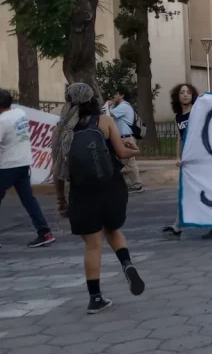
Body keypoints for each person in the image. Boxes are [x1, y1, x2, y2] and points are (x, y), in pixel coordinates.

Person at [51, 83, 145, 313]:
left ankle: (95, 298)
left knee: (93, 245)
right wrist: (135, 149)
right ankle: (126, 263)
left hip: (82, 191)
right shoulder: (104, 121)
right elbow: (122, 153)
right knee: (113, 229)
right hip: (111, 186)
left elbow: (58, 171)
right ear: (93, 100)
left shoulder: (61, 130)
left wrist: (61, 200)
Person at [162, 84, 212, 240]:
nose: (185, 95)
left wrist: (205, 99)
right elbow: (179, 139)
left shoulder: (198, 111)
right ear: (177, 96)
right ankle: (178, 225)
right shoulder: (178, 117)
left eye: (188, 92)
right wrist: (178, 157)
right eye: (182, 92)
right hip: (189, 161)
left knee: (208, 190)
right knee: (187, 191)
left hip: (204, 158)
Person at [0, 89, 55, 249]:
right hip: (24, 163)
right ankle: (45, 232)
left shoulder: (2, 121)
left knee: (28, 199)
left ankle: (44, 232)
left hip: (7, 166)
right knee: (29, 200)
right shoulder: (20, 113)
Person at [107, 88, 144, 193]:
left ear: (122, 95)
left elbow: (109, 115)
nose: (114, 96)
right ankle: (131, 184)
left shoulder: (124, 106)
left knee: (129, 162)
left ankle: (137, 185)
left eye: (116, 94)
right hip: (124, 137)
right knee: (124, 161)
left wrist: (107, 106)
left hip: (126, 138)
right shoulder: (123, 106)